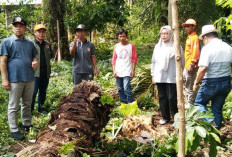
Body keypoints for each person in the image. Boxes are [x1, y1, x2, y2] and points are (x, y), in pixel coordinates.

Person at [0, 17, 38, 140]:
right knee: (13, 105)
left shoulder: (30, 43)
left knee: (27, 103)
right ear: (13, 27)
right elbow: (3, 61)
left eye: (21, 25)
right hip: (15, 79)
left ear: (25, 28)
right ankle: (14, 129)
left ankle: (26, 123)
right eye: (15, 25)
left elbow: (34, 57)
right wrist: (4, 79)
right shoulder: (7, 42)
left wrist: (34, 62)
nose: (18, 28)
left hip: (29, 78)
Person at [193, 25, 232, 129]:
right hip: (226, 81)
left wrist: (196, 83)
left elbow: (202, 68)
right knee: (217, 109)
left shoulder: (207, 49)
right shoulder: (228, 47)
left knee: (198, 104)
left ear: (206, 37)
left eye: (203, 39)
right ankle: (217, 135)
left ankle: (211, 122)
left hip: (211, 82)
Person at [151, 25, 184, 125]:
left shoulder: (176, 46)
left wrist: (180, 73)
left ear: (170, 34)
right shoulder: (157, 47)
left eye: (166, 33)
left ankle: (176, 118)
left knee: (172, 97)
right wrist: (153, 74)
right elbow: (153, 61)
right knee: (162, 97)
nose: (164, 36)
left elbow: (182, 61)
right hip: (160, 75)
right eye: (162, 33)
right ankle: (165, 117)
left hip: (171, 75)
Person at [112, 28, 137, 104]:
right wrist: (114, 70)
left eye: (123, 36)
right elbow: (114, 59)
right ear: (118, 37)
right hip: (118, 70)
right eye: (120, 36)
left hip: (127, 70)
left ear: (126, 37)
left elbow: (134, 58)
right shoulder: (116, 46)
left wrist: (133, 70)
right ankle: (124, 103)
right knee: (120, 89)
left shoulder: (131, 46)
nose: (122, 38)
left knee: (126, 88)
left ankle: (130, 103)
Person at [31, 24, 52, 114]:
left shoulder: (47, 44)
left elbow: (49, 57)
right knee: (33, 92)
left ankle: (40, 108)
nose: (41, 34)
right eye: (39, 31)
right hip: (34, 73)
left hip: (45, 72)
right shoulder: (31, 44)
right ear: (35, 33)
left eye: (43, 32)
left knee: (43, 92)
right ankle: (30, 110)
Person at [182, 19, 201, 109]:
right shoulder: (189, 37)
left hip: (191, 66)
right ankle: (188, 103)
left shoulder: (194, 38)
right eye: (185, 26)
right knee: (186, 84)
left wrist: (192, 64)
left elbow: (195, 52)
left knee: (190, 86)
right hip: (187, 65)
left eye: (188, 26)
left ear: (193, 27)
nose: (186, 28)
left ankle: (191, 105)